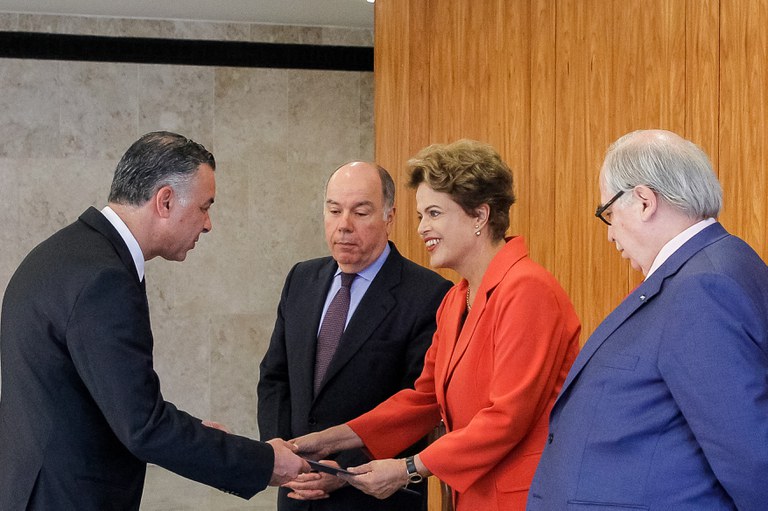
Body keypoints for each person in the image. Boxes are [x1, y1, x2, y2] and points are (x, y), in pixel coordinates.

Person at [0, 131, 308, 511]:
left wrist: (193, 435)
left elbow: (106, 399)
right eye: (204, 207)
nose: (208, 224)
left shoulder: (62, 252)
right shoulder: (104, 278)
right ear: (164, 201)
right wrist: (264, 462)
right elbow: (143, 426)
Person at [293, 140, 581, 511]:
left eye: (434, 213)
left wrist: (408, 468)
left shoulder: (528, 290)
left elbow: (506, 418)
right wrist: (332, 439)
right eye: (419, 216)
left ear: (480, 215)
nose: (421, 229)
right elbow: (424, 399)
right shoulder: (455, 299)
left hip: (526, 498)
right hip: (472, 497)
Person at [527, 129, 768, 510]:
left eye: (608, 212)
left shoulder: (702, 286)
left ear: (643, 201)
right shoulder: (704, 269)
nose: (610, 236)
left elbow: (749, 454)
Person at [257, 161, 452, 511]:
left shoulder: (429, 294)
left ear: (389, 216)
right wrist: (280, 451)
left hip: (374, 497)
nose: (344, 225)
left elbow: (417, 404)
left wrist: (344, 468)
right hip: (297, 492)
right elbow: (275, 376)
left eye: (360, 212)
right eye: (334, 210)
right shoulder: (301, 278)